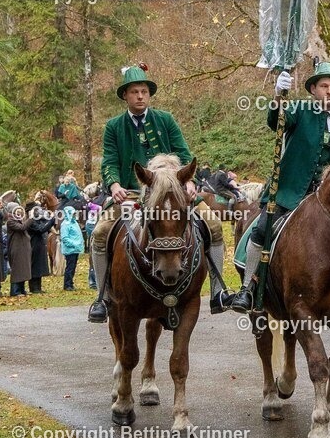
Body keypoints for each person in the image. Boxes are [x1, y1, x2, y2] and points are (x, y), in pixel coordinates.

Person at [88, 63, 232, 323]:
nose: (140, 96)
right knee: (99, 233)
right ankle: (103, 296)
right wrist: (114, 185)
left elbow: (185, 153)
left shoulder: (165, 119)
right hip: (131, 193)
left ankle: (219, 290)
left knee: (213, 224)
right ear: (125, 96)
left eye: (144, 91)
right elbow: (109, 161)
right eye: (134, 92)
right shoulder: (113, 127)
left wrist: (188, 181)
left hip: (172, 192)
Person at [233, 60, 330, 312]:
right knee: (262, 229)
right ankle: (247, 287)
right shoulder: (299, 110)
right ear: (313, 90)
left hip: (326, 202)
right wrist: (278, 95)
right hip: (287, 193)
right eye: (324, 86)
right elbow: (276, 120)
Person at [25, 200, 55, 294]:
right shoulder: (30, 221)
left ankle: (38, 287)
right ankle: (33, 288)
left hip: (40, 244)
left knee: (40, 266)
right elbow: (41, 229)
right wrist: (51, 220)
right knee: (34, 266)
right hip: (33, 244)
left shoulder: (36, 219)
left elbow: (43, 224)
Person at [5, 201, 32, 297]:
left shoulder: (18, 219)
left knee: (23, 269)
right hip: (16, 248)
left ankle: (21, 289)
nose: (19, 211)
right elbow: (22, 228)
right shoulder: (10, 222)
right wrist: (31, 218)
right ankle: (14, 291)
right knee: (17, 269)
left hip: (23, 248)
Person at [60, 205, 84, 290]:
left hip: (75, 249)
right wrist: (74, 244)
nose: (74, 215)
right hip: (70, 249)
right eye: (72, 213)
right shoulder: (65, 224)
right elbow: (64, 238)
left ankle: (70, 283)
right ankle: (67, 285)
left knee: (73, 267)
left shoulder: (74, 222)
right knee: (70, 267)